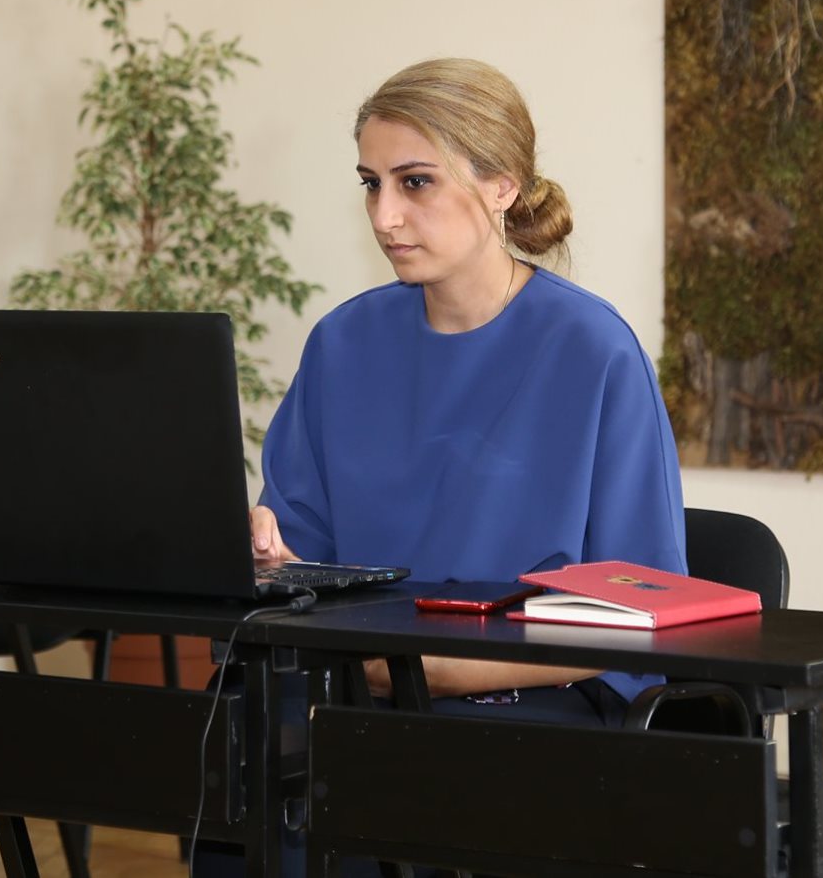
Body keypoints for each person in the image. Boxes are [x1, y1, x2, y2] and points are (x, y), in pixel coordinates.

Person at [250, 56, 688, 717]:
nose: (384, 215)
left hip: (529, 698)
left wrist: (445, 674)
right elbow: (299, 554)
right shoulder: (341, 344)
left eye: (415, 182)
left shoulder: (592, 349)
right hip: (360, 688)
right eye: (371, 184)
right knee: (227, 733)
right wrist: (270, 558)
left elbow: (642, 605)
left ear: (502, 186)